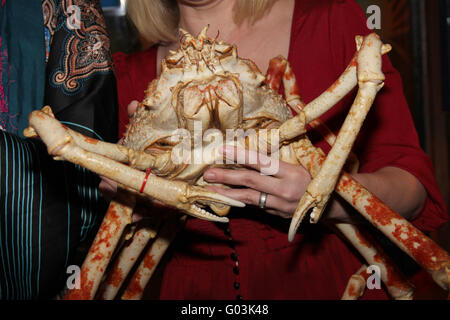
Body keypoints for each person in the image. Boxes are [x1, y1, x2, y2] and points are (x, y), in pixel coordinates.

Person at [110, 0, 448, 299]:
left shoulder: (334, 24)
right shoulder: (127, 77)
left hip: (331, 282)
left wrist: (328, 194)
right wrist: (129, 192)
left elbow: (413, 187)